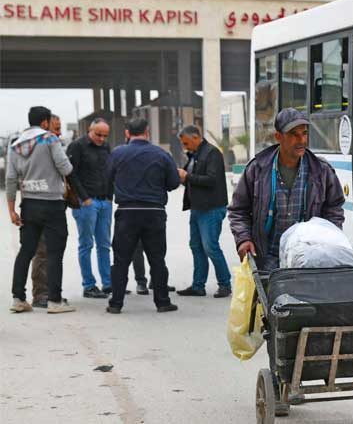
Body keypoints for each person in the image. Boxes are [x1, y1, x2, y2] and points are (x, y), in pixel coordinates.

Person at [228, 107, 345, 413]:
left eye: (304, 133)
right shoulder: (258, 170)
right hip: (269, 258)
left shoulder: (321, 171)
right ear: (278, 136)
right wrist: (244, 239)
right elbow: (238, 210)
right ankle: (282, 383)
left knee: (312, 318)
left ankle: (302, 376)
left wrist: (328, 236)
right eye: (293, 134)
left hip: (309, 258)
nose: (300, 139)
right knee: (278, 323)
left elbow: (335, 208)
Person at [106, 118, 179, 314]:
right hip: (154, 213)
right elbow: (173, 183)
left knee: (120, 260)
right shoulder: (162, 154)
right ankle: (162, 302)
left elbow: (107, 178)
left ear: (127, 133)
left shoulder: (117, 154)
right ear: (147, 132)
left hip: (126, 213)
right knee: (157, 259)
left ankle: (116, 303)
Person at [7, 106, 75, 314]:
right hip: (52, 204)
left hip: (28, 204)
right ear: (45, 122)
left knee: (26, 251)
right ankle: (54, 301)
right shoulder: (49, 139)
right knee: (55, 252)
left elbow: (10, 179)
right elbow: (65, 168)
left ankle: (18, 298)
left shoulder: (15, 144)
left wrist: (11, 210)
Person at [176, 125, 231, 298]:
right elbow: (193, 180)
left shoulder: (212, 153)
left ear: (195, 137)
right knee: (196, 247)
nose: (185, 147)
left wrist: (187, 177)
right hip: (197, 208)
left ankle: (225, 284)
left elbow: (211, 180)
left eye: (186, 143)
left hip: (211, 208)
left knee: (211, 247)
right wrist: (183, 178)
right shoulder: (195, 155)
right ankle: (198, 285)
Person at [66, 118, 113, 298]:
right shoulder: (77, 146)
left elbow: (110, 172)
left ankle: (108, 283)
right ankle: (89, 285)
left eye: (105, 135)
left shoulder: (106, 147)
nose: (101, 138)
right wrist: (84, 198)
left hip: (104, 202)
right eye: (98, 134)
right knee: (86, 244)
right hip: (86, 203)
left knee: (104, 244)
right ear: (89, 130)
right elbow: (71, 174)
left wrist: (110, 197)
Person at [27, 114, 63, 308]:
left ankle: (51, 292)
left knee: (53, 251)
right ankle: (40, 294)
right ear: (45, 126)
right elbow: (65, 169)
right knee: (42, 251)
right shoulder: (38, 148)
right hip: (40, 205)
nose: (59, 133)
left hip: (53, 204)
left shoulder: (52, 146)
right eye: (55, 129)